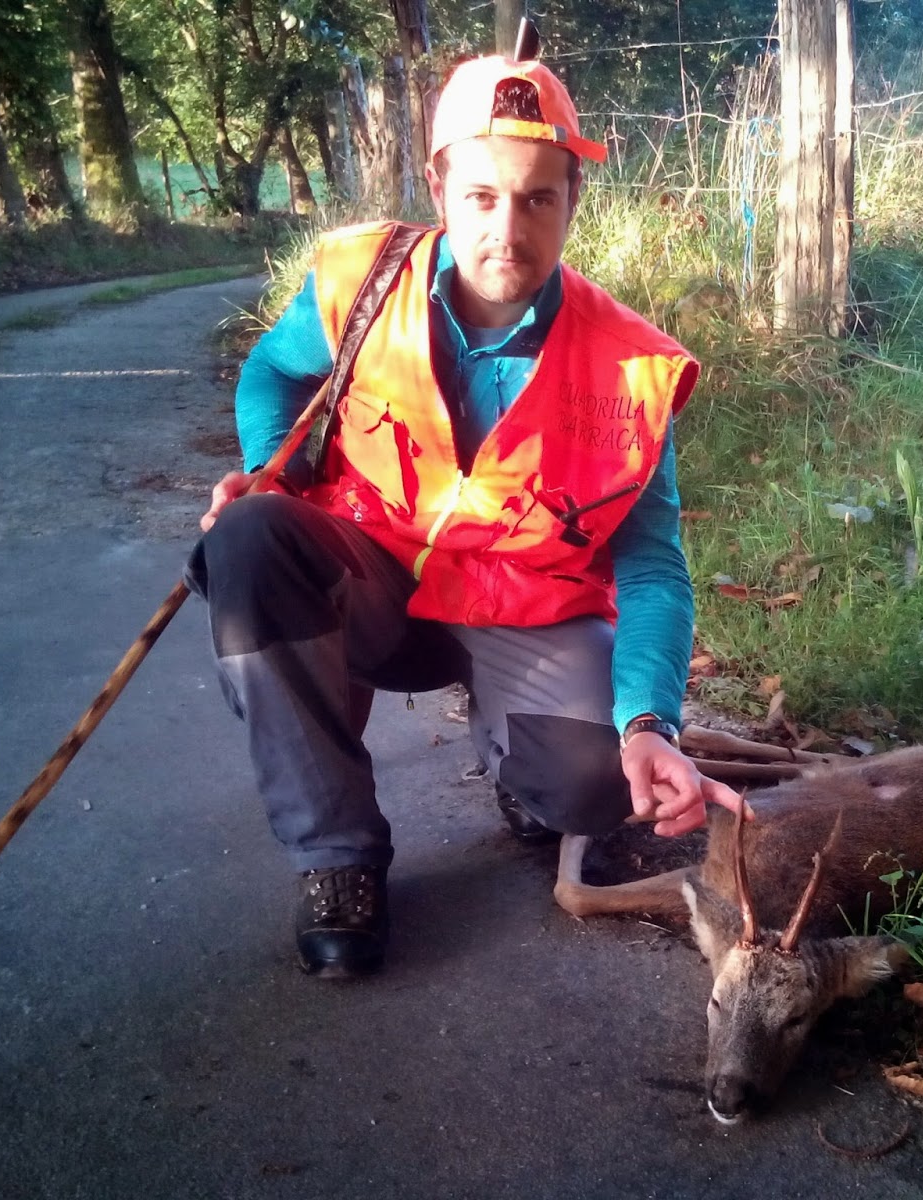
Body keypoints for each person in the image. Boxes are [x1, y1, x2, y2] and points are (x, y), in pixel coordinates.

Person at [185, 51, 743, 979]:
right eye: (482, 197)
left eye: (537, 199)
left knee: (595, 782)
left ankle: (520, 766)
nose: (507, 233)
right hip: (368, 581)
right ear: (439, 184)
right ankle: (335, 855)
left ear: (573, 199)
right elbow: (273, 372)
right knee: (247, 541)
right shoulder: (360, 282)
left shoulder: (631, 367)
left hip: (523, 613)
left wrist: (651, 723)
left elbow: (651, 566)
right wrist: (270, 467)